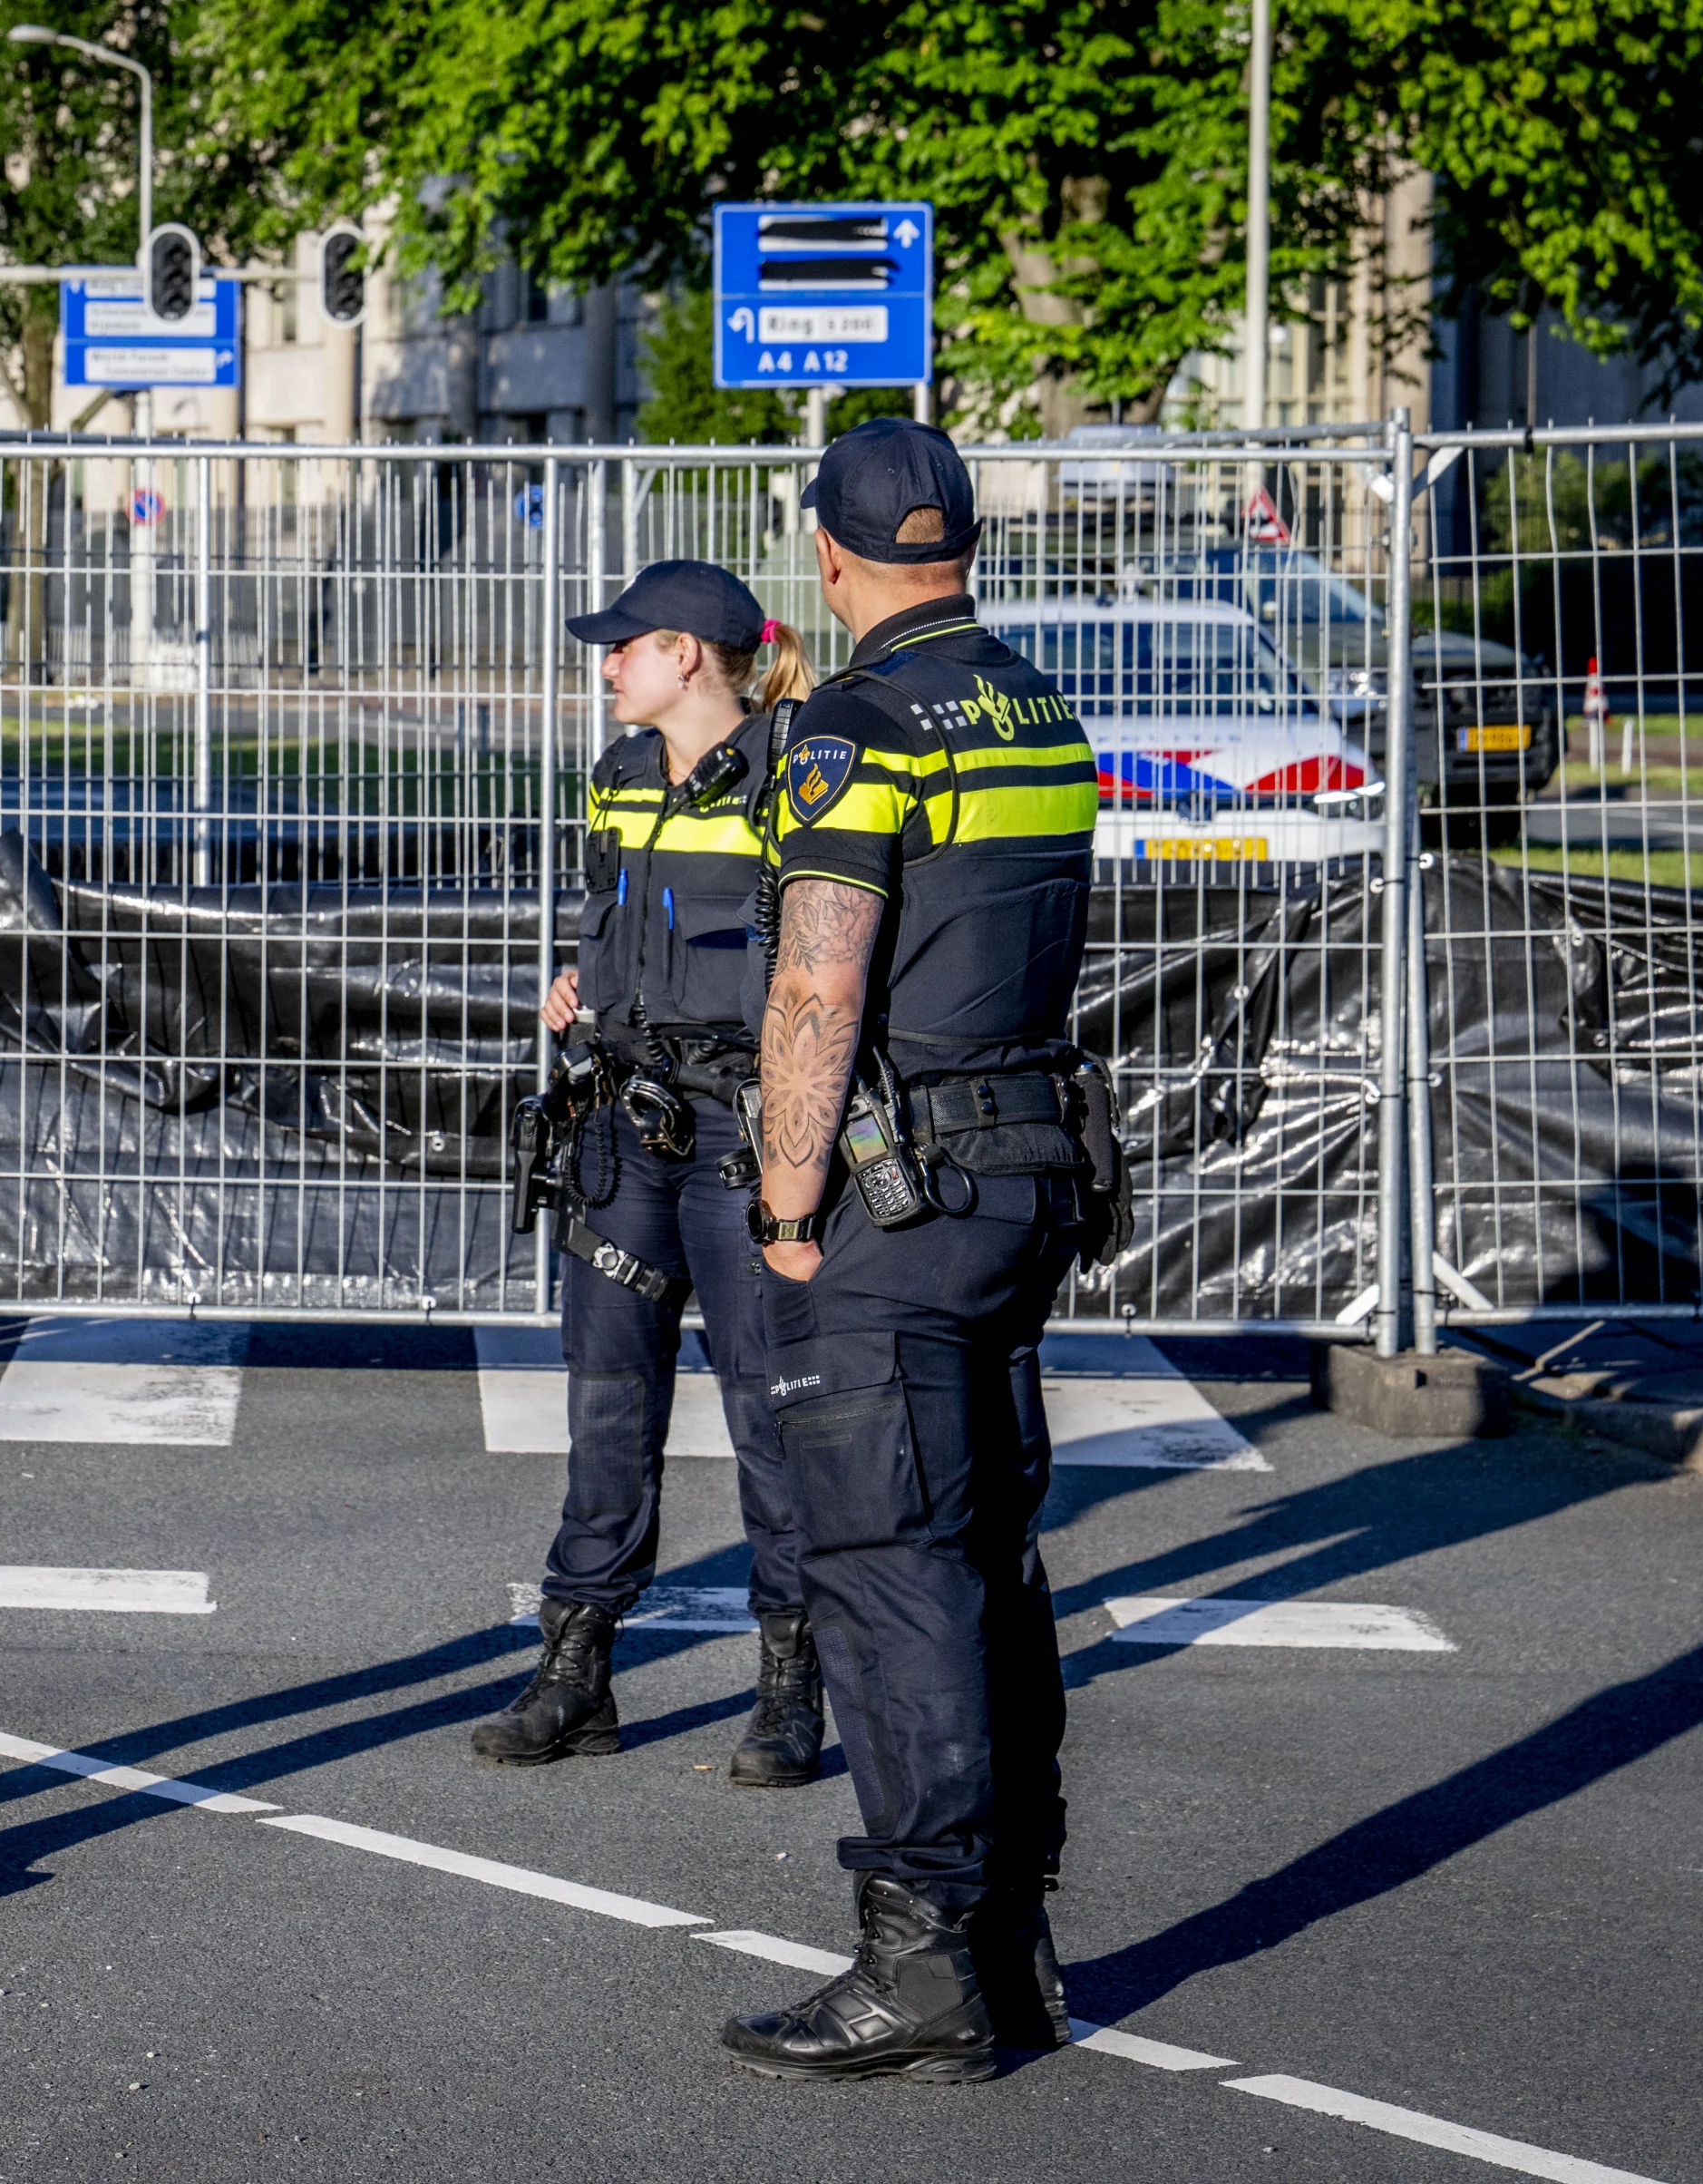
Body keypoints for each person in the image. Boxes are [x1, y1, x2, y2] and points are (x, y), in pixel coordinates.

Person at [721, 420, 1109, 2081]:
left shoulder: (855, 727)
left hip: (898, 1199)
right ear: (965, 546)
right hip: (1027, 1174)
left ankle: (919, 1960)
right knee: (990, 1564)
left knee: (890, 1572)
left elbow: (819, 984)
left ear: (832, 554)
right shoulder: (1043, 710)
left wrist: (788, 1206)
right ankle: (1011, 1936)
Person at [472, 560, 831, 1789]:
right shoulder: (623, 775)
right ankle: (576, 1675)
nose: (605, 663)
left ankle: (791, 1685)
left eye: (622, 646)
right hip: (624, 1126)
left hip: (743, 1134)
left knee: (767, 1415)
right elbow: (604, 918)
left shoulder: (794, 775)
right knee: (607, 1404)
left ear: (687, 656)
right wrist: (581, 992)